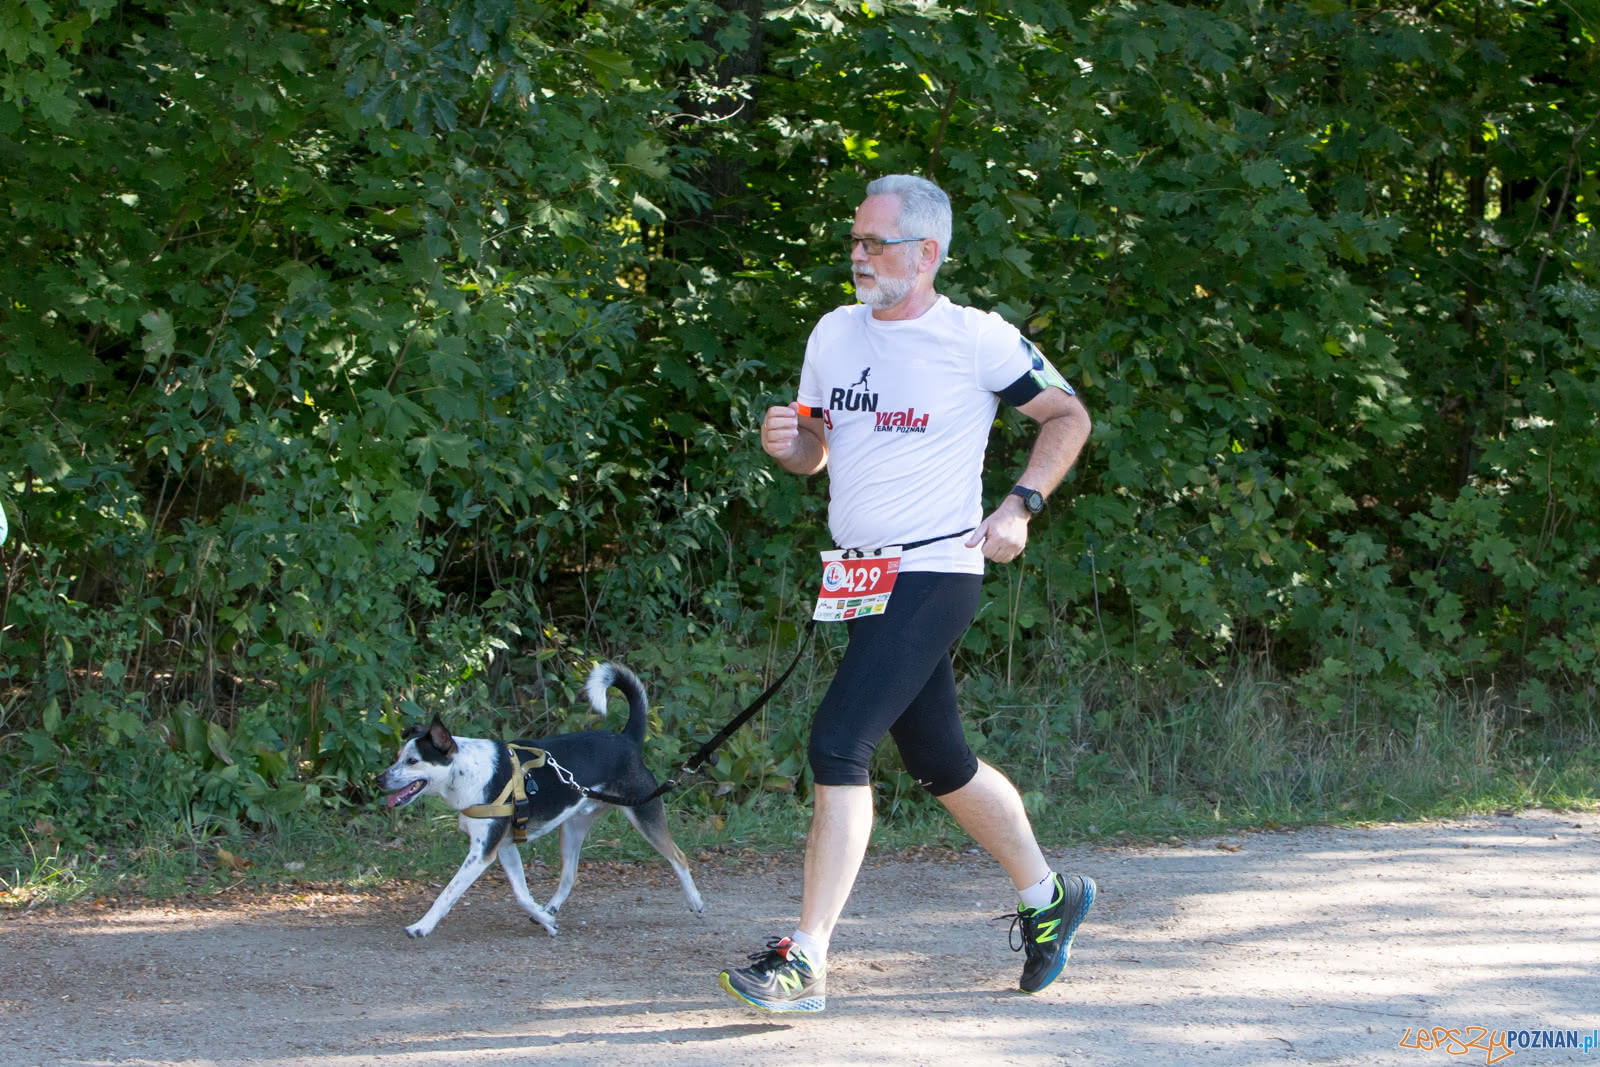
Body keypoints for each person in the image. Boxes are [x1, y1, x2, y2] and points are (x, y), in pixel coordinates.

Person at [718, 174, 1095, 1014]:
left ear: (926, 253)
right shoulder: (833, 332)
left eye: (873, 242)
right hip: (859, 571)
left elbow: (1068, 417)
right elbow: (817, 449)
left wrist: (1021, 504)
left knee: (838, 742)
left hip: (937, 568)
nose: (857, 255)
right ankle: (1049, 898)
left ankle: (804, 960)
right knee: (939, 760)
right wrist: (792, 441)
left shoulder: (975, 338)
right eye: (853, 240)